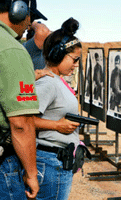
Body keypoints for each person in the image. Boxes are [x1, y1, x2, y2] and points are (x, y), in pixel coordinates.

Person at [0, 0, 46, 199]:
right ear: (17, 10)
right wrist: (31, 173)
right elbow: (20, 123)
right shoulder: (11, 49)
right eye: (30, 16)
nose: (30, 23)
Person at [33, 17, 82, 200]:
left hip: (57, 161)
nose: (76, 65)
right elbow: (25, 120)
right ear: (57, 54)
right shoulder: (48, 83)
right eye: (74, 59)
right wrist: (57, 126)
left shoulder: (56, 82)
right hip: (51, 162)